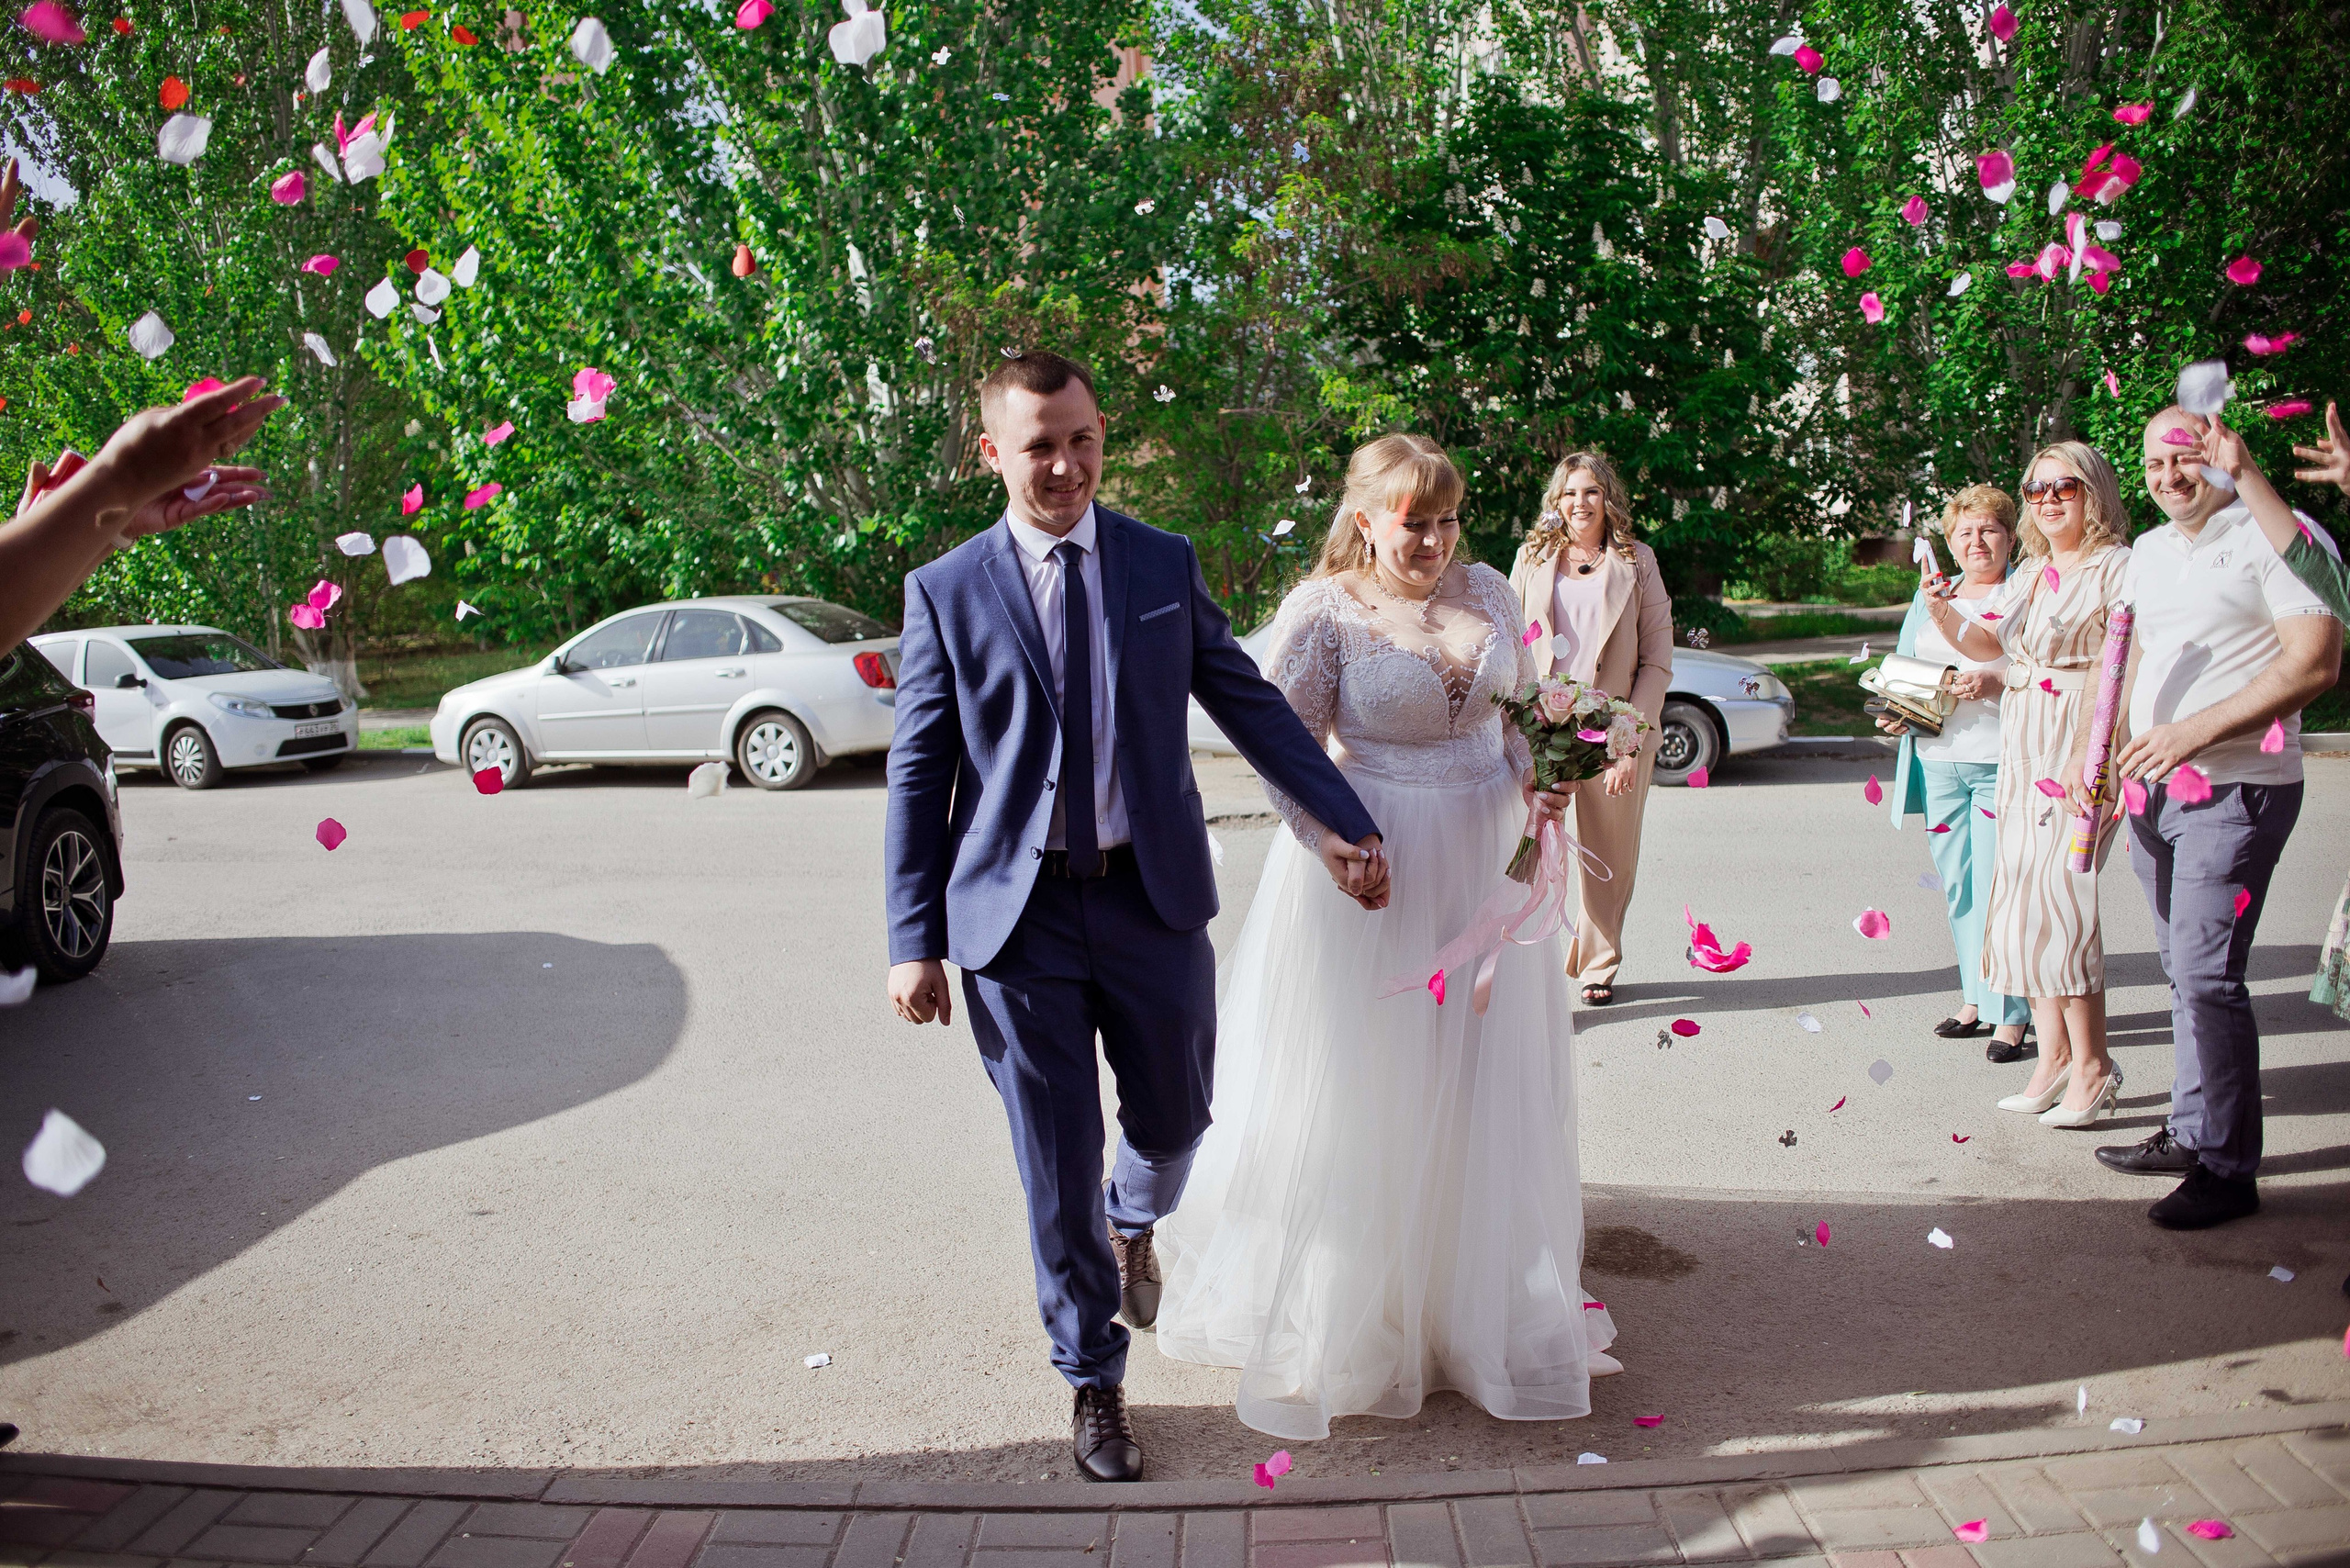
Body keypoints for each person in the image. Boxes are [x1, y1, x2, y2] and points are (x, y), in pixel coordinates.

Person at [881, 352, 1384, 1484]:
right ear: (993, 453)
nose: (1064, 465)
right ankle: (1093, 1380)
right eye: (1039, 445)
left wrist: (1343, 816)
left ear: (1103, 435)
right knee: (1052, 1165)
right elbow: (919, 774)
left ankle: (1135, 1214)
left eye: (1081, 440)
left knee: (1176, 1117)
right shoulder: (947, 590)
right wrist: (912, 935)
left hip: (1151, 894)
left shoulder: (1160, 564)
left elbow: (1247, 701)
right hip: (1016, 923)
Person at [1155, 433, 1619, 1441]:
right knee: (1372, 1088)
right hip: (1370, 868)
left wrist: (1548, 765)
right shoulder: (1324, 612)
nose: (1437, 539)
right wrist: (1328, 838)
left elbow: (1516, 715)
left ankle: (1467, 1301)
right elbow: (1278, 746)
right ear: (1365, 518)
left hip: (1485, 867)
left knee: (1475, 1082)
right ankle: (1358, 1309)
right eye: (1417, 521)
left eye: (1450, 518)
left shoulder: (1493, 592)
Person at [2084, 405, 2342, 1230]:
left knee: (2206, 975)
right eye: (2154, 465)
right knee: (2180, 972)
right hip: (2151, 790)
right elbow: (2131, 660)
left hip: (2237, 787)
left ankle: (2230, 1170)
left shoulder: (2281, 534)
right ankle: (2195, 1133)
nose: (2168, 478)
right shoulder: (2149, 553)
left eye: (2185, 460)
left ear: (2224, 457)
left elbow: (2314, 664)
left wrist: (2192, 733)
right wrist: (2102, 761)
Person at [1923, 442, 2132, 1128]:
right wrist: (1942, 613)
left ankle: (2095, 1064)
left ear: (2091, 492)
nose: (2046, 499)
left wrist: (2088, 755)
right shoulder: (2037, 570)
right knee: (2021, 901)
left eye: (2061, 488)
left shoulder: (2115, 568)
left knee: (2064, 904)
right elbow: (1989, 644)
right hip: (2022, 740)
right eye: (2036, 488)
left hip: (2079, 736)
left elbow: (2117, 668)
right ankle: (2054, 1059)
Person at [1503, 451, 1672, 1006]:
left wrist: (1630, 743)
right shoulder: (1532, 558)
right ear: (1557, 499)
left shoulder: (1638, 561)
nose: (1581, 502)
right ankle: (1523, 964)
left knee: (1609, 855)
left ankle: (1600, 962)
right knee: (1531, 847)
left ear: (1608, 499)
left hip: (1613, 728)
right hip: (1544, 725)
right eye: (1571, 492)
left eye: (1592, 491)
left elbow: (1656, 663)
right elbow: (1507, 642)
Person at [1877, 486, 2032, 1062]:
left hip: (2002, 762)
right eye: (1965, 532)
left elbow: (2040, 669)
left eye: (1989, 529)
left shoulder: (2025, 591)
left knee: (1999, 888)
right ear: (1950, 540)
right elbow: (1906, 663)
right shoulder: (1933, 596)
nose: (1976, 541)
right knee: (1962, 887)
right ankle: (1975, 997)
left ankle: (2010, 1014)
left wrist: (1996, 682)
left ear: (2010, 537)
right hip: (1938, 761)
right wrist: (1898, 709)